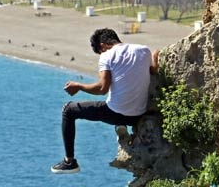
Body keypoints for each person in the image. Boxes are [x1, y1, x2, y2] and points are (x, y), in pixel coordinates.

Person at [50, 28, 158, 174]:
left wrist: (79, 86)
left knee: (68, 110)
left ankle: (69, 162)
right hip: (139, 114)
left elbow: (102, 89)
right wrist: (155, 57)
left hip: (116, 113)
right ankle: (121, 127)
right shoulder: (143, 50)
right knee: (121, 93)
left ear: (102, 46)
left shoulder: (107, 56)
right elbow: (152, 71)